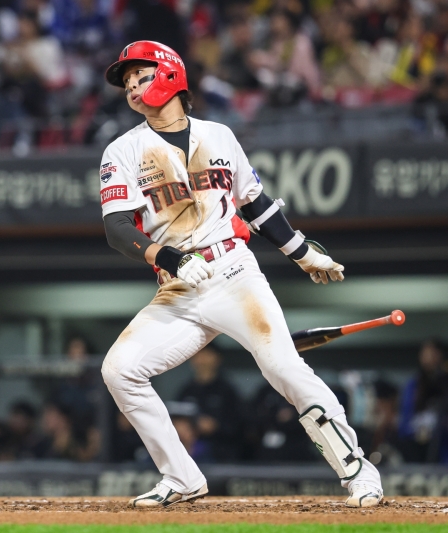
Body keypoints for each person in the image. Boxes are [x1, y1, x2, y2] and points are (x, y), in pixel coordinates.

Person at [98, 40, 382, 508]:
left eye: (140, 76)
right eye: (126, 83)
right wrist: (168, 259)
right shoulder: (122, 149)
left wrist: (302, 252)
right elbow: (116, 228)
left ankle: (358, 470)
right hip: (177, 286)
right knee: (120, 370)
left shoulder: (220, 135)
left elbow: (256, 204)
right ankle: (182, 477)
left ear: (169, 74)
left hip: (233, 272)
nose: (130, 88)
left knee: (283, 367)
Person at [175, 347, 242, 460]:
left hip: (220, 450)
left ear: (216, 358)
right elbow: (176, 416)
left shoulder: (227, 390)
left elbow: (239, 425)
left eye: (205, 355)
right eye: (197, 356)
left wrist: (215, 426)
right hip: (188, 449)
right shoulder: (186, 390)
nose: (201, 360)